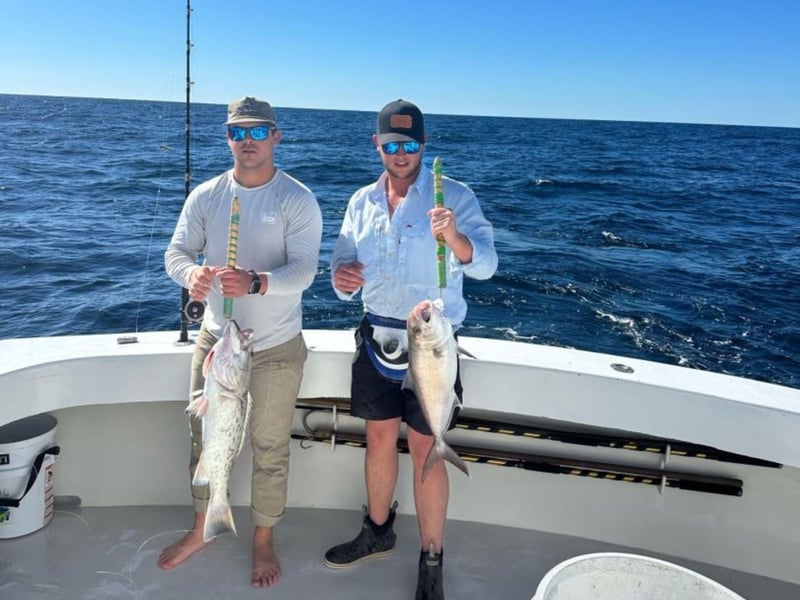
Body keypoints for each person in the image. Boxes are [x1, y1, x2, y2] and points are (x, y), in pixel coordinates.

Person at [325, 99, 497, 599]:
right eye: (391, 145)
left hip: (432, 344)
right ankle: (377, 531)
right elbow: (341, 262)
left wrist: (455, 237)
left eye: (410, 144)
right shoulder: (361, 201)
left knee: (427, 447)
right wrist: (341, 277)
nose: (400, 154)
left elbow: (486, 265)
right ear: (376, 145)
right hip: (376, 338)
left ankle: (432, 557)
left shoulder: (454, 196)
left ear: (424, 144)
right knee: (378, 439)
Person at [161, 96, 322, 588]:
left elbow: (305, 271)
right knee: (203, 438)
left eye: (257, 131)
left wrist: (256, 282)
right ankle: (203, 526)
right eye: (238, 132)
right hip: (217, 344)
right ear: (227, 137)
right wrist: (192, 275)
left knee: (270, 446)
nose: (247, 141)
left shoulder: (297, 198)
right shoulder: (206, 195)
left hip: (274, 347)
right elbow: (176, 253)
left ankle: (262, 539)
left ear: (276, 137)